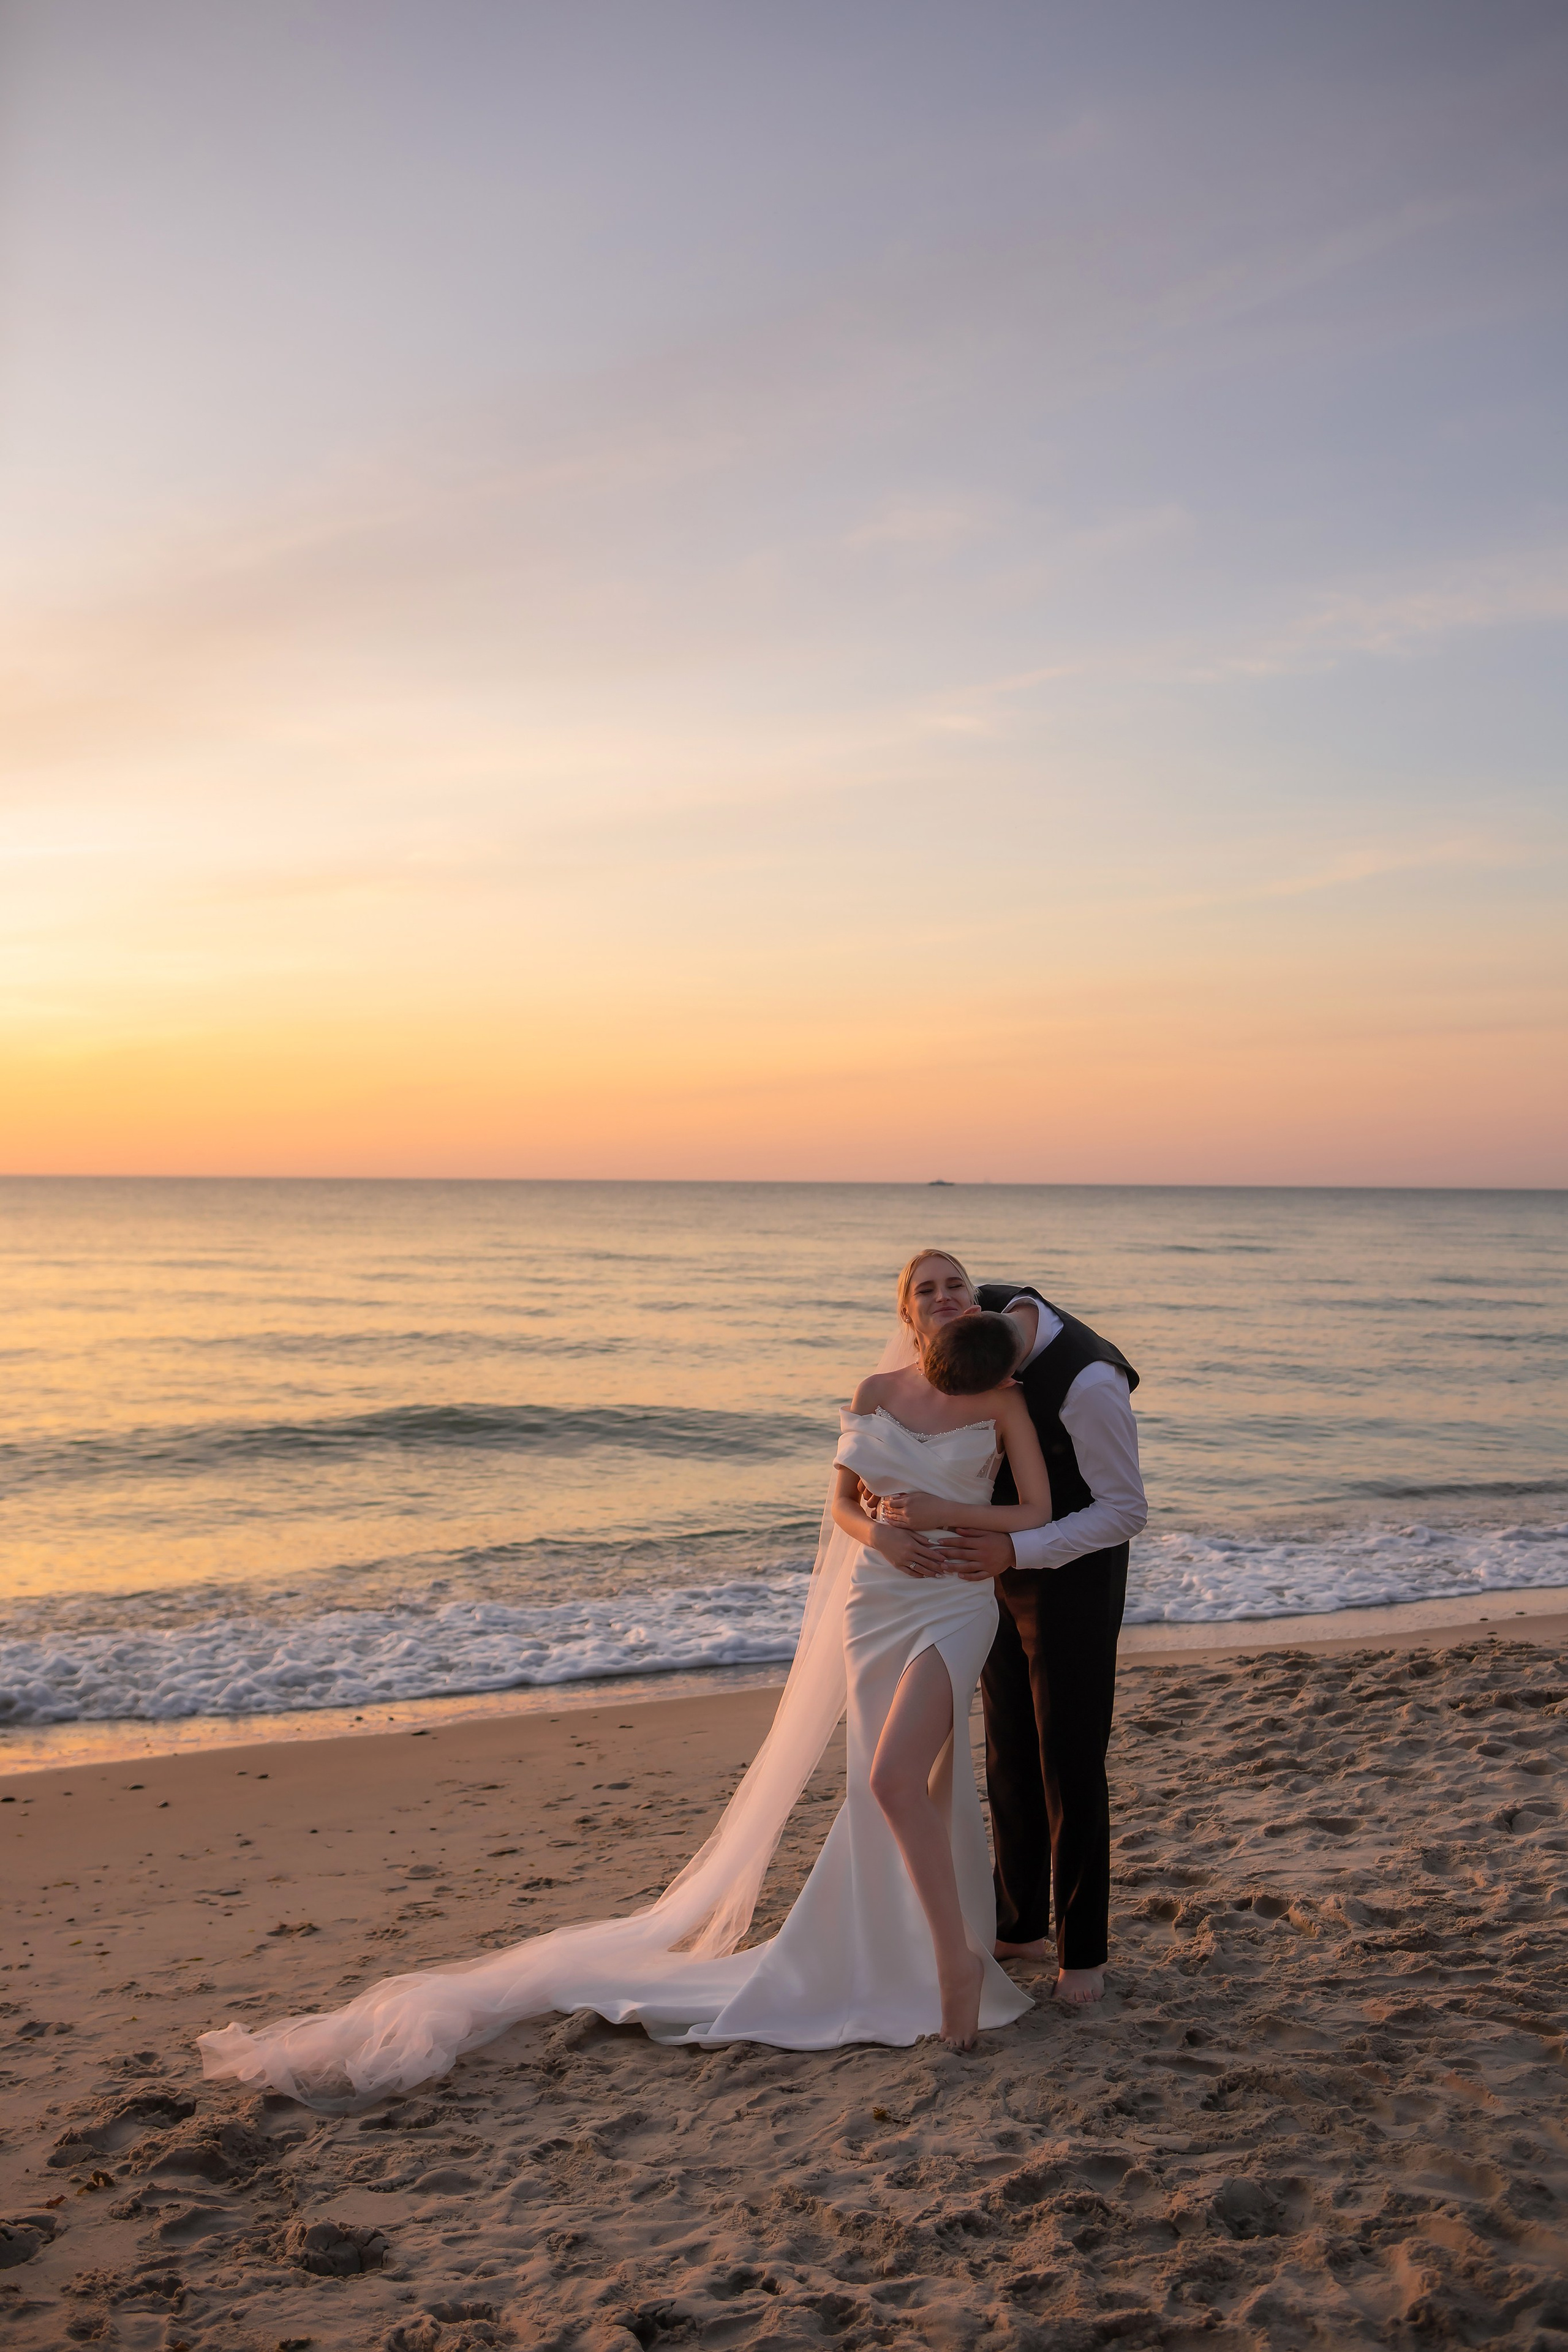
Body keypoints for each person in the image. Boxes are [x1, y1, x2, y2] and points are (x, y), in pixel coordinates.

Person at [197, 1261, 1054, 2108]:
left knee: (897, 1781)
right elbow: (841, 1508)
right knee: (893, 1789)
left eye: (955, 1285)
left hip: (953, 1602)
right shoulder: (874, 1389)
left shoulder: (1002, 1395)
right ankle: (904, 1952)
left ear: (971, 1303)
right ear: (907, 1312)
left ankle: (951, 1960)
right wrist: (881, 1538)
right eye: (927, 1288)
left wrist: (946, 1519)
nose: (944, 1297)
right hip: (876, 1601)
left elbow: (1034, 1514)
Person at [869, 1253, 1144, 2008]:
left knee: (1070, 1756)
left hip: (1075, 1567)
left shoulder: (1088, 1383)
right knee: (1011, 1747)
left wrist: (1018, 1548)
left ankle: (1082, 1952)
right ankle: (1019, 1923)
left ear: (1012, 1381)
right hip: (984, 1565)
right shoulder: (963, 1311)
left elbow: (1124, 1510)